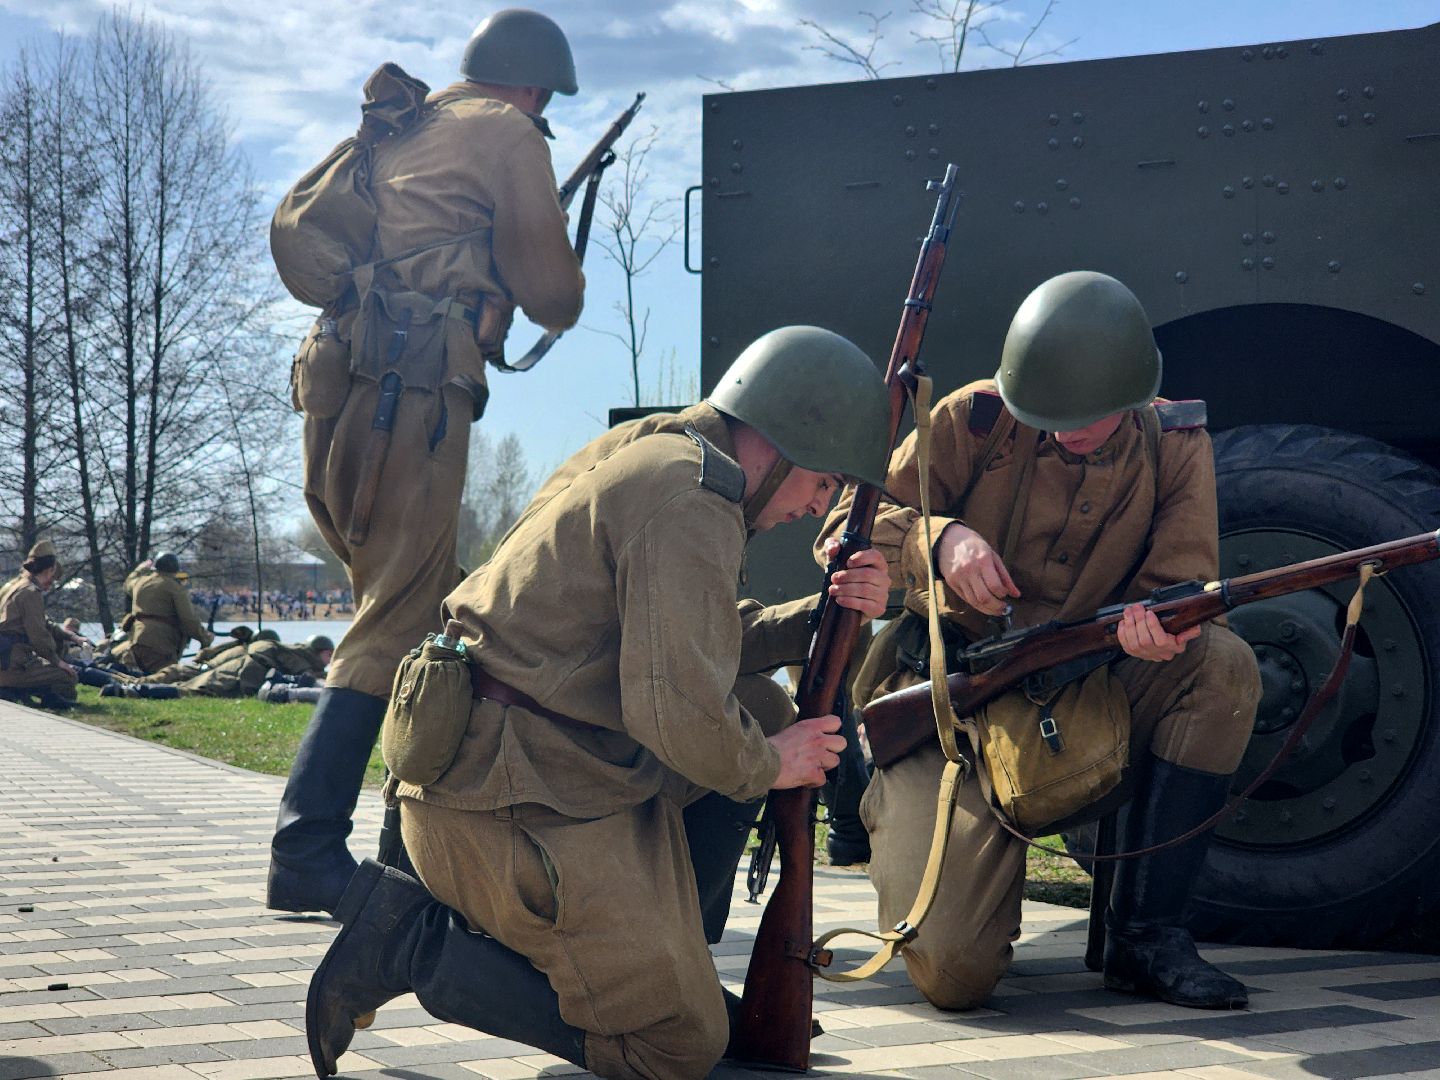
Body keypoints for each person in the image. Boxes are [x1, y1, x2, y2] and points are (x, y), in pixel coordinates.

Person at [305, 326, 893, 1080]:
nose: (821, 507)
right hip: (512, 797)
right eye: (826, 483)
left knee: (759, 709)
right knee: (677, 1046)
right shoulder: (692, 499)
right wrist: (767, 765)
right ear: (787, 439)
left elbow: (682, 638)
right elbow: (675, 709)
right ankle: (415, 945)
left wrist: (821, 621)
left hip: (514, 765)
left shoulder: (658, 451)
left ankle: (656, 964)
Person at [821, 271, 1262, 1013]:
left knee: (1220, 665)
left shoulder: (1177, 442)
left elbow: (1184, 587)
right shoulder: (975, 419)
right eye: (1048, 411)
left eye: (1085, 413)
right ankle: (890, 815)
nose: (1064, 427)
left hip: (1093, 687)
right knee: (954, 976)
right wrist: (940, 538)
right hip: (951, 709)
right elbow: (846, 526)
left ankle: (1146, 937)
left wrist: (1155, 632)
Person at [269, 6, 587, 915]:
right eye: (544, 102)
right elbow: (555, 294)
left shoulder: (412, 124)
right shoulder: (507, 132)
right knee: (400, 611)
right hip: (412, 394)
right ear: (531, 87)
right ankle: (306, 849)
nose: (541, 114)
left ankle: (407, 845)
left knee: (434, 603)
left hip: (340, 387)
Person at [0, 541, 79, 710]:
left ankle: (16, 689)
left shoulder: (12, 587)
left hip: (6, 659)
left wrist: (70, 636)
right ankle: (15, 688)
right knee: (67, 677)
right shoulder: (31, 594)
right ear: (50, 569)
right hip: (12, 664)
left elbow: (43, 622)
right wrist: (58, 662)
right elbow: (39, 635)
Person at [109, 553, 214, 673]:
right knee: (166, 677)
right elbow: (188, 619)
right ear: (175, 569)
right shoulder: (174, 588)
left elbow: (129, 582)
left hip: (136, 641)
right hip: (161, 645)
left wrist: (141, 568)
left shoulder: (140, 583)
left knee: (135, 675)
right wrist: (204, 638)